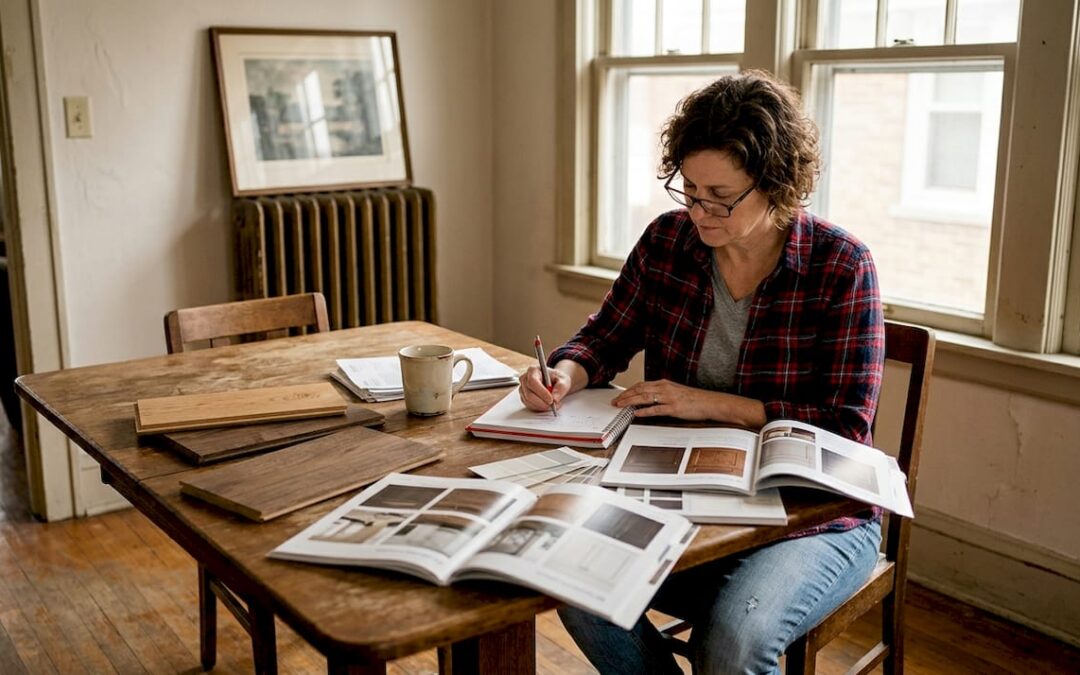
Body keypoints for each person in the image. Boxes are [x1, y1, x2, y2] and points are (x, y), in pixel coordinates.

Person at [518, 70, 885, 674]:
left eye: (720, 195)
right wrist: (563, 373)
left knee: (735, 639)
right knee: (573, 582)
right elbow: (604, 337)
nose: (699, 210)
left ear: (776, 184)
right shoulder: (668, 242)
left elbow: (846, 427)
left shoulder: (841, 265)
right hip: (683, 498)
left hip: (811, 517)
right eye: (688, 189)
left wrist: (712, 404)